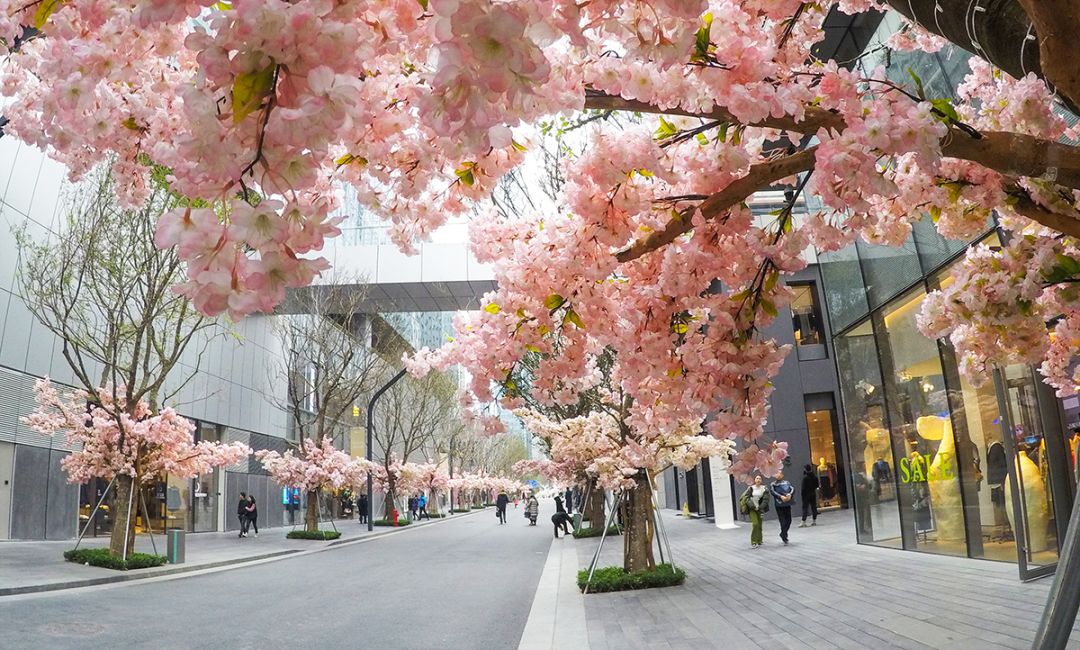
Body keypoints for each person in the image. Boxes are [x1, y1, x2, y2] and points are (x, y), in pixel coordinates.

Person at [738, 475, 770, 548]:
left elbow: (766, 500)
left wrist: (760, 507)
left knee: (759, 525)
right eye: (757, 478)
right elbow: (746, 498)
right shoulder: (751, 488)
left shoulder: (764, 489)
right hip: (752, 509)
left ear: (761, 480)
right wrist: (752, 506)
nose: (758, 480)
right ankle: (754, 541)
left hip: (760, 509)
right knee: (755, 524)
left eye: (760, 478)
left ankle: (759, 540)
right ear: (754, 480)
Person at [771, 471, 795, 545]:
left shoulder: (787, 482)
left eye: (779, 473)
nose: (778, 475)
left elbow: (792, 489)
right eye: (776, 473)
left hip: (787, 503)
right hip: (779, 504)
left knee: (789, 520)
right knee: (782, 521)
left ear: (782, 475)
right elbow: (773, 492)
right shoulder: (773, 484)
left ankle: (783, 533)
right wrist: (780, 496)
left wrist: (790, 494)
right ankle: (784, 536)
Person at [800, 463, 820, 527]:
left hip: (806, 495)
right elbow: (817, 485)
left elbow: (803, 488)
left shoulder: (805, 478)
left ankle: (803, 522)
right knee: (814, 507)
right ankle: (814, 521)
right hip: (813, 493)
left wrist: (802, 495)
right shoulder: (815, 477)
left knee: (805, 508)